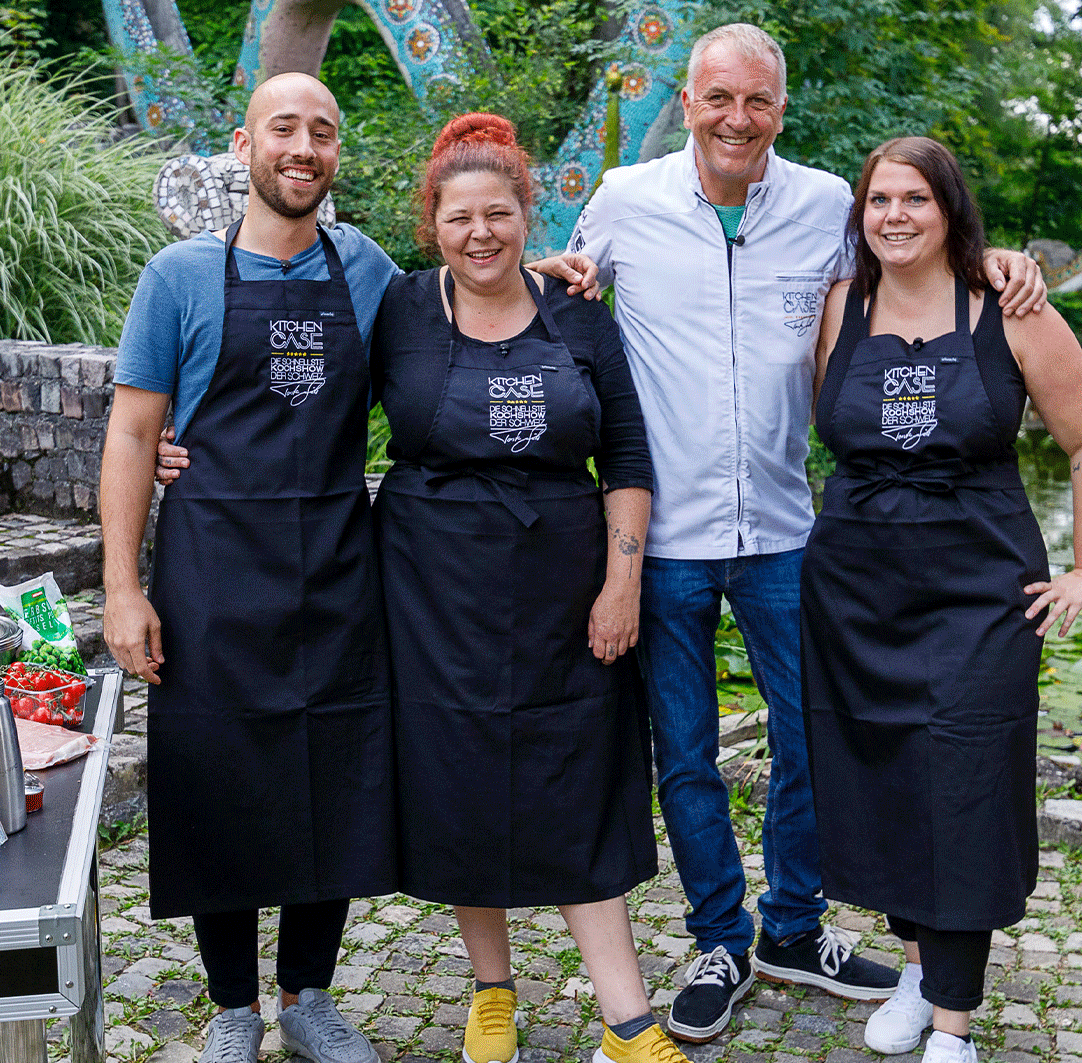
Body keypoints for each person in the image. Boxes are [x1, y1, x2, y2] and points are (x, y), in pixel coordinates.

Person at [564, 23, 1049, 1042]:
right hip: (667, 534)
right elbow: (553, 303)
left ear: (782, 109)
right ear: (688, 102)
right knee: (684, 749)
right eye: (718, 98)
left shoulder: (832, 203)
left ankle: (794, 924)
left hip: (793, 532)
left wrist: (1001, 261)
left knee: (817, 741)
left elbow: (910, 267)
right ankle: (716, 938)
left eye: (758, 101)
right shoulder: (622, 200)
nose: (736, 118)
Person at [101, 75, 597, 1063]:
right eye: (285, 128)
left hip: (337, 564)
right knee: (221, 778)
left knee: (332, 773)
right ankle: (234, 1006)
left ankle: (309, 996)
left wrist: (537, 268)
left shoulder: (364, 270)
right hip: (211, 570)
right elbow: (130, 431)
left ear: (334, 156)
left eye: (322, 133)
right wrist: (122, 587)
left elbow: (461, 297)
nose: (304, 147)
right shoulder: (180, 278)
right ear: (244, 144)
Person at [801, 136, 1082, 1063]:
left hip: (980, 589)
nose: (894, 215)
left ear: (949, 211)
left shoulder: (1010, 308)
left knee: (965, 789)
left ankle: (955, 1025)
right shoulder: (838, 308)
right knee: (884, 782)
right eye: (878, 200)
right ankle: (916, 971)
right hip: (857, 589)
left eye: (915, 200)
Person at [371, 112, 683, 1063]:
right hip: (432, 587)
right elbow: (298, 407)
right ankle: (492, 994)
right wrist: (186, 450)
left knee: (579, 777)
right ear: (434, 222)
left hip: (566, 582)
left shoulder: (580, 314)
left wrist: (619, 584)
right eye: (460, 217)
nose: (480, 234)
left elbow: (628, 457)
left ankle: (626, 1021)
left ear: (524, 216)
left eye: (498, 214)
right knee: (460, 780)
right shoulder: (399, 311)